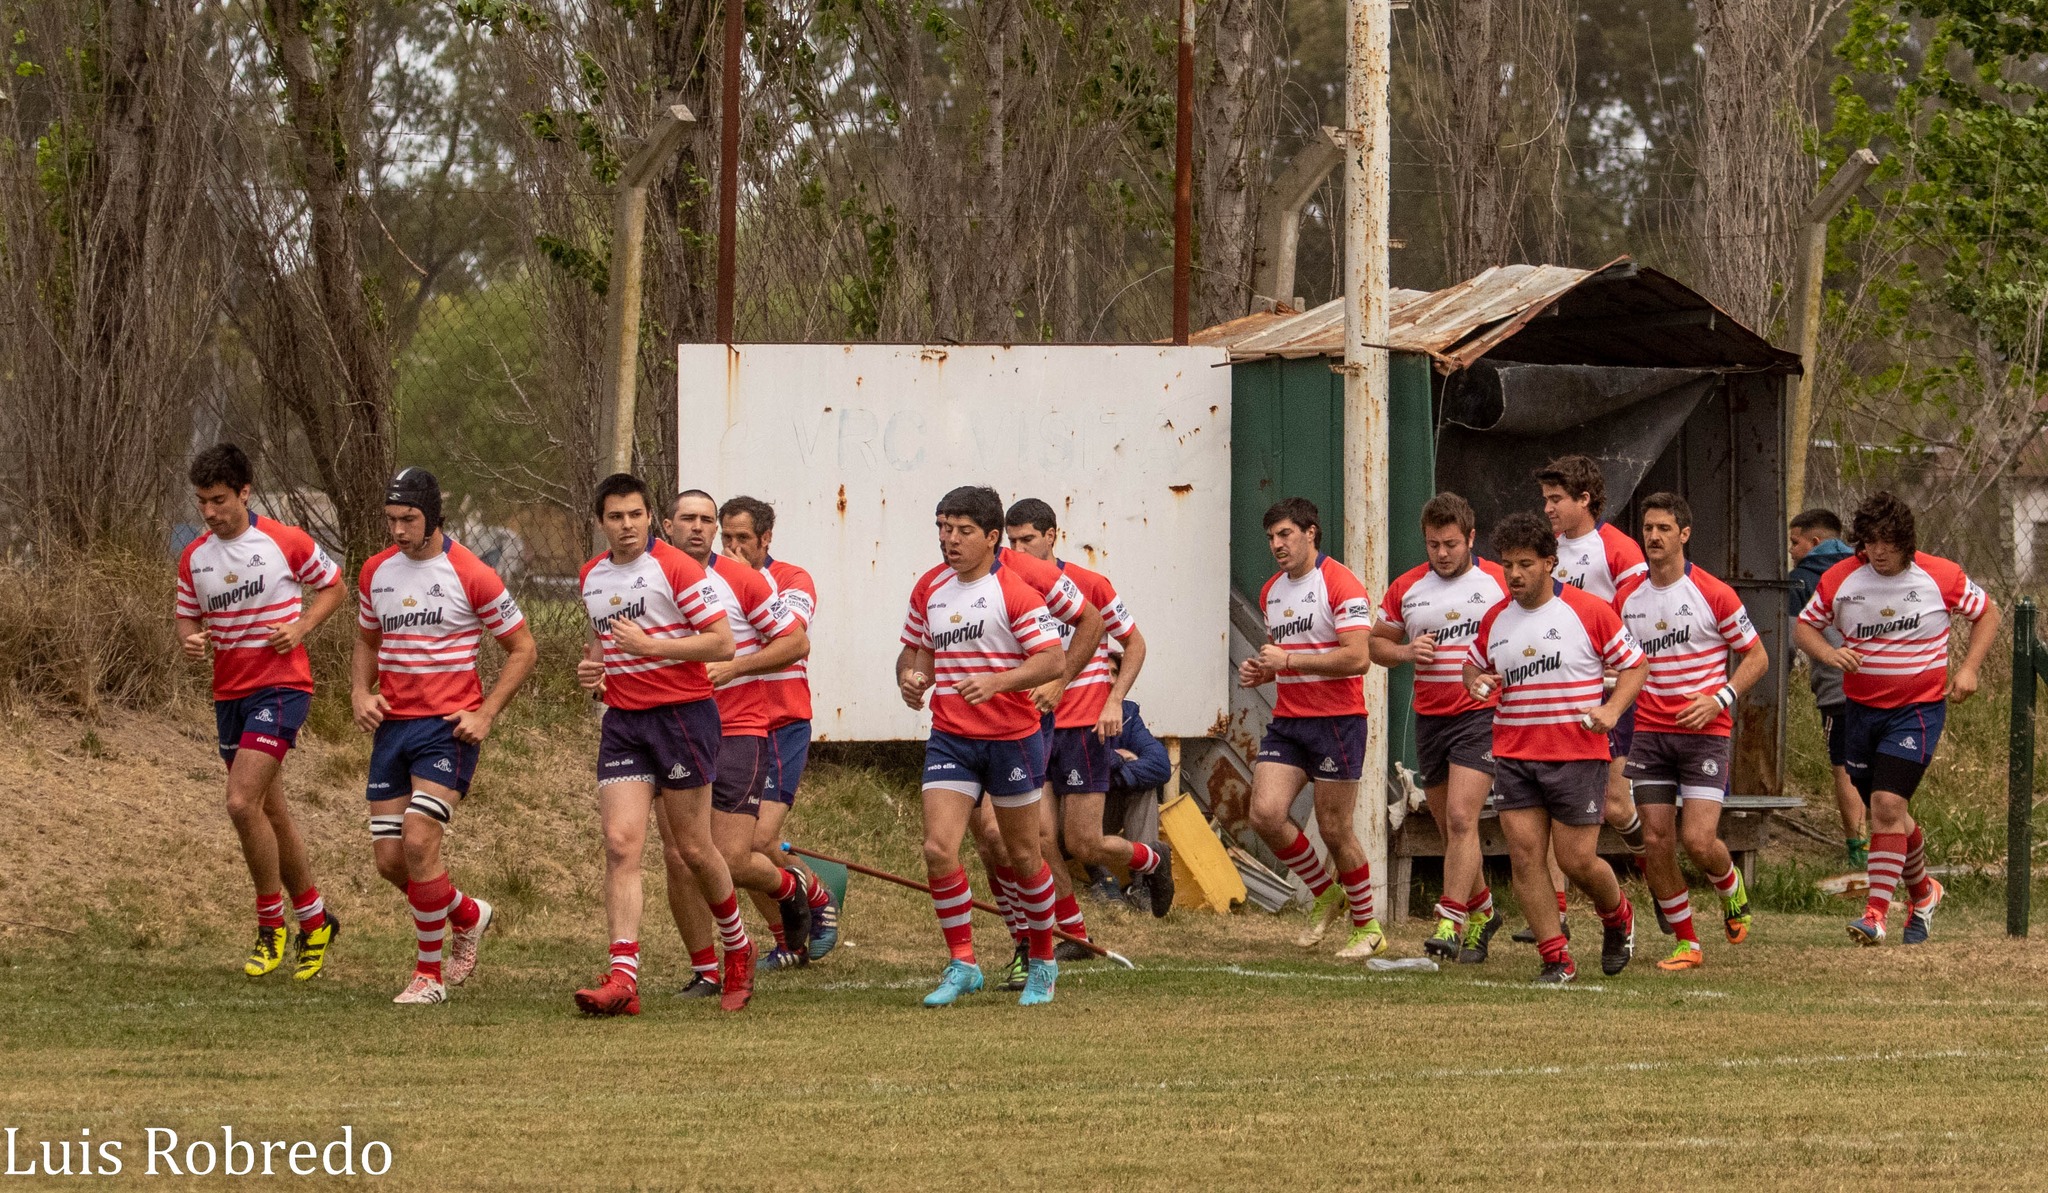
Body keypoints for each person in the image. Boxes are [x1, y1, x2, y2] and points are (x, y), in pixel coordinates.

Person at [352, 468, 537, 1005]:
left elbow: (523, 649)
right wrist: (360, 694)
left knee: (418, 841)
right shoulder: (375, 572)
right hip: (392, 729)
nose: (399, 530)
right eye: (391, 520)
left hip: (445, 731)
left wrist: (485, 714)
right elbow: (366, 640)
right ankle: (467, 914)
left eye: (408, 519)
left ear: (433, 517)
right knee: (390, 862)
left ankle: (428, 977)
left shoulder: (471, 572)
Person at [571, 474, 744, 1016]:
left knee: (693, 848)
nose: (626, 526)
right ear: (601, 521)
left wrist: (653, 647)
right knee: (622, 845)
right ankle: (623, 978)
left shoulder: (676, 567)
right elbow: (604, 642)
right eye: (615, 517)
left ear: (651, 518)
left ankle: (737, 948)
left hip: (683, 717)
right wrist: (593, 667)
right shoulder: (590, 576)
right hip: (624, 720)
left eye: (635, 515)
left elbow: (722, 642)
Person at [1794, 491, 1999, 946]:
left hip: (1917, 711)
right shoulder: (1839, 578)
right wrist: (1829, 652)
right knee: (1890, 813)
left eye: (1887, 541)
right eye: (1869, 541)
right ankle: (1924, 893)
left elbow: (1987, 613)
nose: (1878, 552)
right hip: (1860, 711)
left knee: (1886, 806)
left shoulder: (1940, 574)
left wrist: (1968, 669)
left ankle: (1875, 915)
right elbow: (1804, 626)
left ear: (1905, 542)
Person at [175, 443, 347, 980]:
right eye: (202, 501)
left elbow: (335, 586)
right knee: (272, 812)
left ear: (245, 492)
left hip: (282, 688)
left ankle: (270, 926)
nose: (209, 512)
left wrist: (300, 627)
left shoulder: (284, 541)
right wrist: (191, 640)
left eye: (219, 500)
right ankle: (315, 920)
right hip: (230, 694)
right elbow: (186, 617)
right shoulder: (195, 557)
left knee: (240, 802)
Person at [897, 485, 1069, 1007]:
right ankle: (963, 963)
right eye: (943, 528)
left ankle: (1043, 960)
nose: (949, 540)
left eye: (963, 531)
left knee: (1022, 854)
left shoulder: (1013, 590)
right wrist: (910, 679)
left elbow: (1052, 661)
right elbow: (915, 653)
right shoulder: (930, 587)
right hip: (951, 736)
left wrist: (997, 683)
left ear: (993, 538)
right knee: (937, 848)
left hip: (1011, 740)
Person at [1464, 511, 1645, 984]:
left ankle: (1618, 916)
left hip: (1577, 753)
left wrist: (1611, 712)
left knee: (1576, 860)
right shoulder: (1495, 618)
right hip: (1514, 753)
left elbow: (1635, 667)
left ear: (1550, 562)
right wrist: (1478, 683)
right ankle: (1556, 957)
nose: (1515, 574)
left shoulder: (1588, 611)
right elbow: (1472, 666)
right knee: (1524, 857)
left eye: (1525, 564)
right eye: (1507, 565)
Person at [660, 491, 815, 975]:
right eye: (693, 521)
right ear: (667, 526)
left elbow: (795, 639)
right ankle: (709, 965)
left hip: (757, 726)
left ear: (765, 539)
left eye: (730, 532)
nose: (719, 540)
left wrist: (733, 669)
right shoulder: (648, 578)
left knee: (742, 850)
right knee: (680, 854)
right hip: (677, 728)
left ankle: (804, 894)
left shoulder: (766, 580)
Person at [1617, 492, 1768, 971]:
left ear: (1684, 535)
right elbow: (1617, 660)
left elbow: (1757, 657)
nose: (1654, 537)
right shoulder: (1629, 598)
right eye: (1648, 529)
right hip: (1650, 733)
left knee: (1699, 841)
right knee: (1657, 840)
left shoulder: (1713, 592)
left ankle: (1730, 886)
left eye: (1664, 528)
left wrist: (1719, 699)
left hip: (1706, 732)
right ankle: (1687, 942)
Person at [1003, 498, 1173, 921]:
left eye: (1027, 540)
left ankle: (1152, 860)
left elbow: (1135, 643)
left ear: (1051, 536)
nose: (1019, 550)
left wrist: (1113, 700)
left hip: (1083, 728)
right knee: (1040, 838)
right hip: (1030, 725)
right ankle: (1068, 924)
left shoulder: (1090, 583)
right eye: (1012, 541)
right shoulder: (1007, 586)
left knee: (1083, 843)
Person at [1239, 497, 1387, 960]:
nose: (1276, 545)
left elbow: (1358, 658)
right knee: (1264, 813)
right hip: (1289, 721)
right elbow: (1290, 657)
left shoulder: (1339, 582)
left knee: (1335, 828)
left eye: (1285, 534)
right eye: (1270, 538)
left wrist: (1290, 660)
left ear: (1310, 533)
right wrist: (1266, 671)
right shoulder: (1271, 592)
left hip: (1337, 722)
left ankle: (1367, 928)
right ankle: (1327, 893)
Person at [1370, 492, 1508, 964]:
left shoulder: (1497, 582)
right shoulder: (1408, 587)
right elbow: (1376, 645)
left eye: (1451, 543)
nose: (1443, 553)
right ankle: (1485, 912)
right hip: (1432, 718)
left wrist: (1498, 674)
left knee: (1462, 819)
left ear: (1471, 538)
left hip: (1481, 715)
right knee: (1451, 831)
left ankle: (1450, 920)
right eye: (1433, 545)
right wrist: (1407, 652)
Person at [1522, 455, 1649, 942]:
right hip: (1558, 692)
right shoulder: (1546, 550)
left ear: (1585, 500)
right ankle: (1554, 917)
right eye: (1546, 500)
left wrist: (1619, 664)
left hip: (1608, 691)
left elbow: (1637, 614)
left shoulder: (1617, 549)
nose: (1548, 509)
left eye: (1557, 500)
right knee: (1556, 808)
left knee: (1616, 806)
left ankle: (1647, 854)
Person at [718, 496, 839, 964]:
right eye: (725, 537)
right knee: (732, 849)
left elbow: (789, 639)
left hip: (782, 722)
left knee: (760, 841)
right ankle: (789, 941)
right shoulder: (711, 581)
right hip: (732, 726)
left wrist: (745, 582)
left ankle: (818, 895)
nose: (732, 547)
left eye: (742, 538)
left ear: (766, 539)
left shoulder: (791, 579)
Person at [1788, 508, 1866, 867]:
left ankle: (1858, 847)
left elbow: (1789, 640)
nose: (1791, 550)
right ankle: (1888, 844)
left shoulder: (1801, 580)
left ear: (1815, 542)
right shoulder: (1867, 567)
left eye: (1795, 542)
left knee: (1845, 767)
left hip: (1837, 689)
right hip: (1883, 682)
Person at [1099, 666, 1175, 910]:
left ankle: (1143, 884)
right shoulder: (1072, 709)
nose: (1110, 679)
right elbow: (1074, 765)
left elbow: (1161, 765)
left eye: (1114, 672)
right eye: (1103, 671)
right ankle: (1100, 881)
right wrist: (1117, 759)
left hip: (1105, 807)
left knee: (1143, 787)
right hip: (1067, 816)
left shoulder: (1128, 713)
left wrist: (1118, 771)